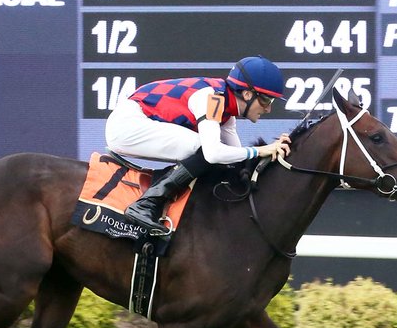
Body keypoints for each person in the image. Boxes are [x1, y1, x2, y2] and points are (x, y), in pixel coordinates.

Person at [104, 55, 292, 234]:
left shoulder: (226, 112)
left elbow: (234, 160)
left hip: (134, 122)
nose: (268, 108)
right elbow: (213, 153)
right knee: (206, 148)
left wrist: (272, 151)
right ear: (247, 94)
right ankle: (146, 204)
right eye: (266, 99)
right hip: (127, 124)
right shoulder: (214, 98)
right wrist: (260, 150)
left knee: (216, 153)